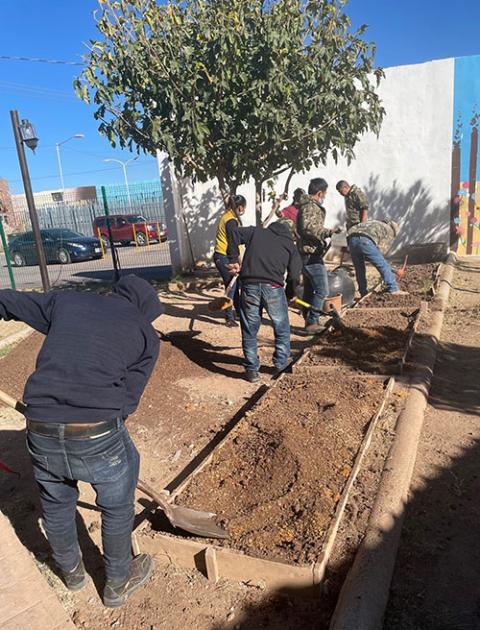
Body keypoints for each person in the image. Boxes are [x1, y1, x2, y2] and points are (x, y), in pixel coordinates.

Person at [0, 275, 164, 608]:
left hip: (40, 423)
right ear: (145, 309)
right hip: (97, 428)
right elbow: (129, 400)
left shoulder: (67, 301)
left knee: (57, 502)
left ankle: (72, 574)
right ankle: (117, 583)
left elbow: (8, 300)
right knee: (117, 505)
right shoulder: (146, 334)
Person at [226, 218, 302, 383]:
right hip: (274, 288)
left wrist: (232, 258)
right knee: (281, 328)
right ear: (290, 232)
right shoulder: (290, 245)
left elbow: (232, 231)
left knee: (249, 329)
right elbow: (295, 275)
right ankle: (281, 363)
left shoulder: (256, 232)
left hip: (249, 286)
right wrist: (290, 294)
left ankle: (252, 370)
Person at [296, 178, 341, 333]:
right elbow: (307, 228)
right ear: (320, 193)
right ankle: (312, 321)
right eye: (324, 194)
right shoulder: (310, 207)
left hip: (310, 253)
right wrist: (327, 232)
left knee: (310, 290)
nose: (324, 197)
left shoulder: (308, 206)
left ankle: (309, 322)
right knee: (322, 290)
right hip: (311, 254)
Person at [347, 219, 407, 296]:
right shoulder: (389, 230)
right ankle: (393, 288)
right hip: (365, 240)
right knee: (382, 264)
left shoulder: (373, 222)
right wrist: (392, 270)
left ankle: (363, 292)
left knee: (359, 269)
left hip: (352, 240)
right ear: (394, 230)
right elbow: (381, 255)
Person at [213, 195, 246, 327]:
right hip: (223, 256)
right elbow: (233, 244)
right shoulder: (231, 221)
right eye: (244, 208)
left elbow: (234, 243)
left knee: (234, 285)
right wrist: (235, 262)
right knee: (231, 287)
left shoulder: (226, 215)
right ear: (240, 207)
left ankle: (238, 311)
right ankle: (229, 318)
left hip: (221, 255)